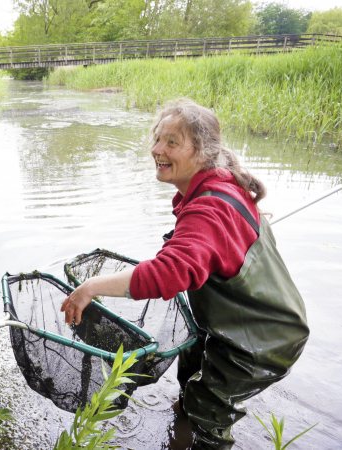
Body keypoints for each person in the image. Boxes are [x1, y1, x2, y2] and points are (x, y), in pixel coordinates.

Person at [60, 98, 309, 449]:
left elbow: (169, 274)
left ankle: (206, 434)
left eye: (172, 143)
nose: (157, 150)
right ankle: (183, 423)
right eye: (157, 139)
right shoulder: (217, 186)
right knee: (191, 362)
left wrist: (91, 287)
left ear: (203, 152)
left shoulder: (210, 206)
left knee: (209, 408)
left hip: (263, 339)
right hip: (234, 324)